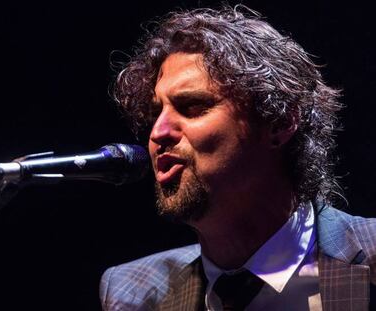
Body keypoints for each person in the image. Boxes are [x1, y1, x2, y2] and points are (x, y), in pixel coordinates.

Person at [100, 5, 376, 310]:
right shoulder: (132, 292)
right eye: (155, 113)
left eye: (192, 107)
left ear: (280, 122)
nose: (158, 132)